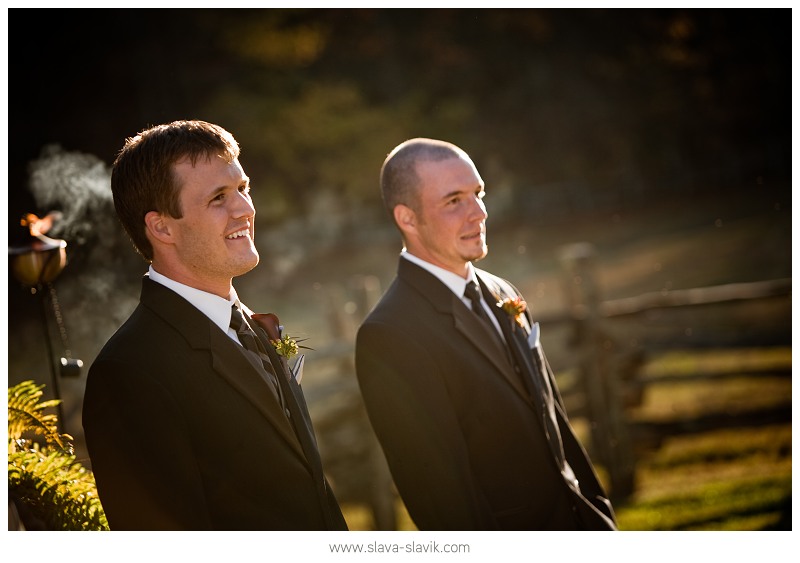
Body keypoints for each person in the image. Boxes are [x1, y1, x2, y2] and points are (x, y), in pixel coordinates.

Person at [82, 120, 348, 530]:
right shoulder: (129, 373)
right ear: (162, 227)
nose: (245, 208)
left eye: (243, 188)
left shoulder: (253, 327)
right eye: (219, 198)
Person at [355, 138, 617, 530]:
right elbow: (441, 498)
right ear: (407, 219)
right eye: (454, 201)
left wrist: (600, 513)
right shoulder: (390, 336)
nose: (478, 213)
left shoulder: (504, 292)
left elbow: (555, 424)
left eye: (479, 193)